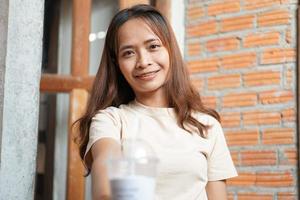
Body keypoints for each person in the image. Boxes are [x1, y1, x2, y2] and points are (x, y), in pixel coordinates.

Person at [75, 4, 237, 200]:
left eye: (153, 46)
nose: (143, 61)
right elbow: (106, 184)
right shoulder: (110, 120)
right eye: (128, 53)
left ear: (170, 50)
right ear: (117, 64)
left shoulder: (207, 126)